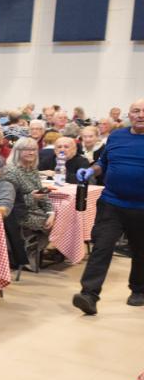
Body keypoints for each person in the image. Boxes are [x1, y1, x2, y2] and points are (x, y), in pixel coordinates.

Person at [72, 99, 144, 314]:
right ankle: (89, 295)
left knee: (140, 251)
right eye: (136, 111)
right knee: (101, 248)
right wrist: (91, 171)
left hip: (142, 208)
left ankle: (139, 290)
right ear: (129, 114)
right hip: (112, 202)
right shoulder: (116, 136)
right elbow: (103, 163)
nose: (141, 115)